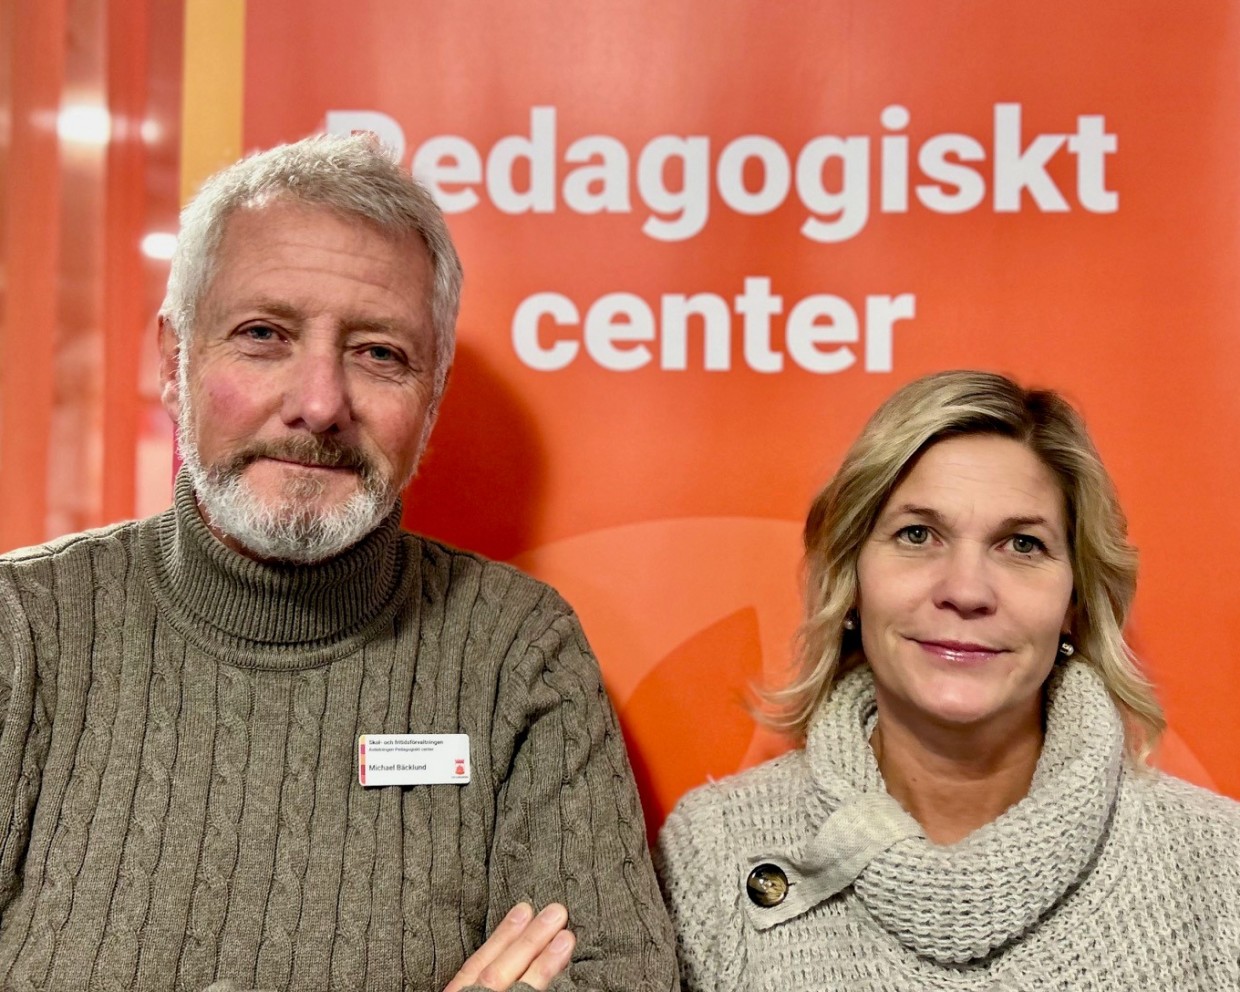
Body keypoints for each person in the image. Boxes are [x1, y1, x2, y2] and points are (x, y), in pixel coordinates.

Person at [0, 135, 677, 992]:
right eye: (263, 335)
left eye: (379, 354)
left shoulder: (517, 655)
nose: (319, 404)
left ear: (430, 399)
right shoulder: (21, 631)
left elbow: (617, 977)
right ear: (171, 361)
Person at [656, 370, 1240, 991]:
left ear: (1077, 599)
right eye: (917, 535)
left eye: (1021, 544)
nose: (965, 591)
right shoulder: (716, 849)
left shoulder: (1217, 863)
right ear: (852, 579)